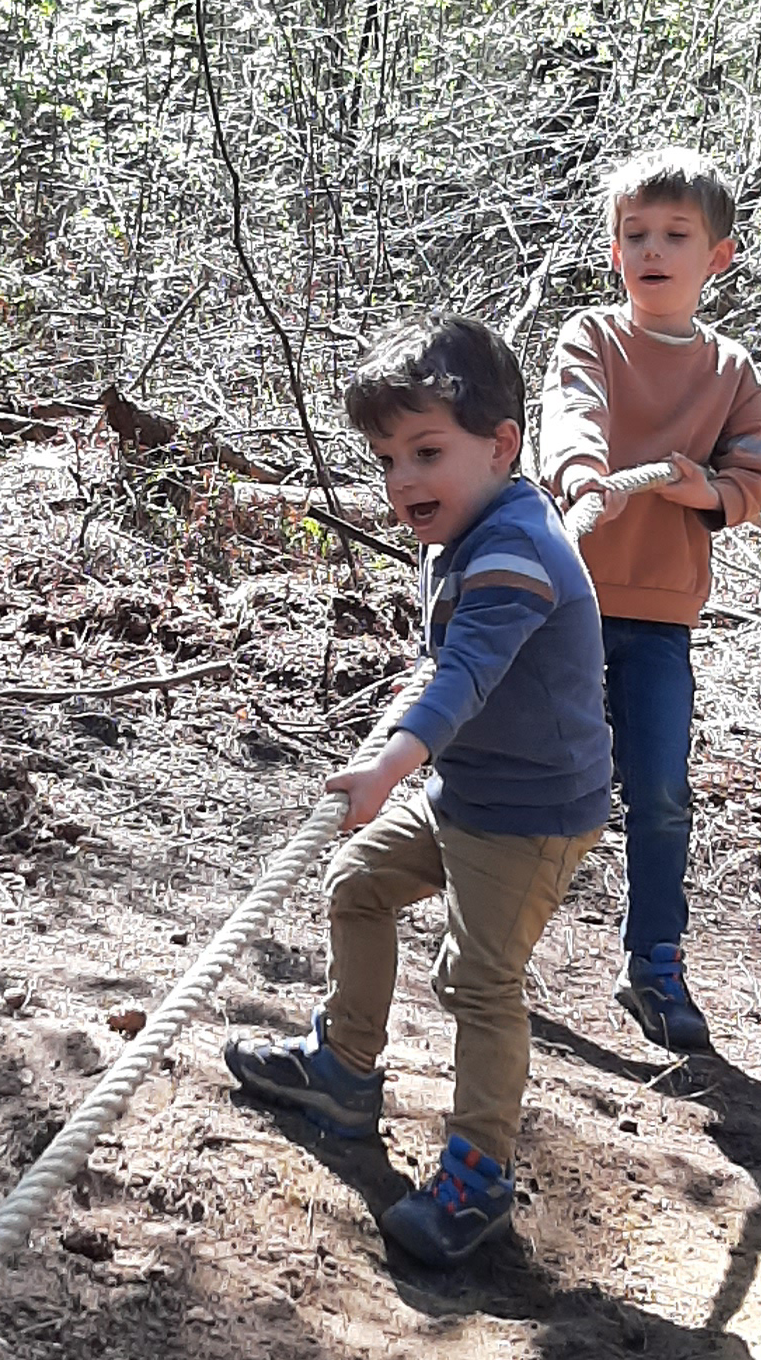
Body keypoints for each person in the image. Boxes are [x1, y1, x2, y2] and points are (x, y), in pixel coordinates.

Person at [225, 316, 610, 1274]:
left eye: (427, 452)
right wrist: (412, 733)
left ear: (503, 446)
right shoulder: (467, 524)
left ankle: (477, 1178)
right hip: (466, 789)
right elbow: (448, 663)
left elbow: (467, 677)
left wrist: (389, 765)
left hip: (527, 815)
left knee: (476, 982)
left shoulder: (519, 544)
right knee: (357, 883)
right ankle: (344, 1071)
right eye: (387, 458)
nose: (403, 482)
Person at [537, 148, 761, 1056]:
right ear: (613, 249)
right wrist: (584, 475)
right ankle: (489, 937)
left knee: (663, 790)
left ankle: (655, 962)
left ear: (718, 256)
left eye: (676, 235)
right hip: (568, 602)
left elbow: (756, 470)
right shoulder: (591, 337)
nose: (653, 250)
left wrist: (702, 492)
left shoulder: (730, 369)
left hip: (661, 617)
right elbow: (574, 415)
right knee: (547, 776)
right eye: (636, 234)